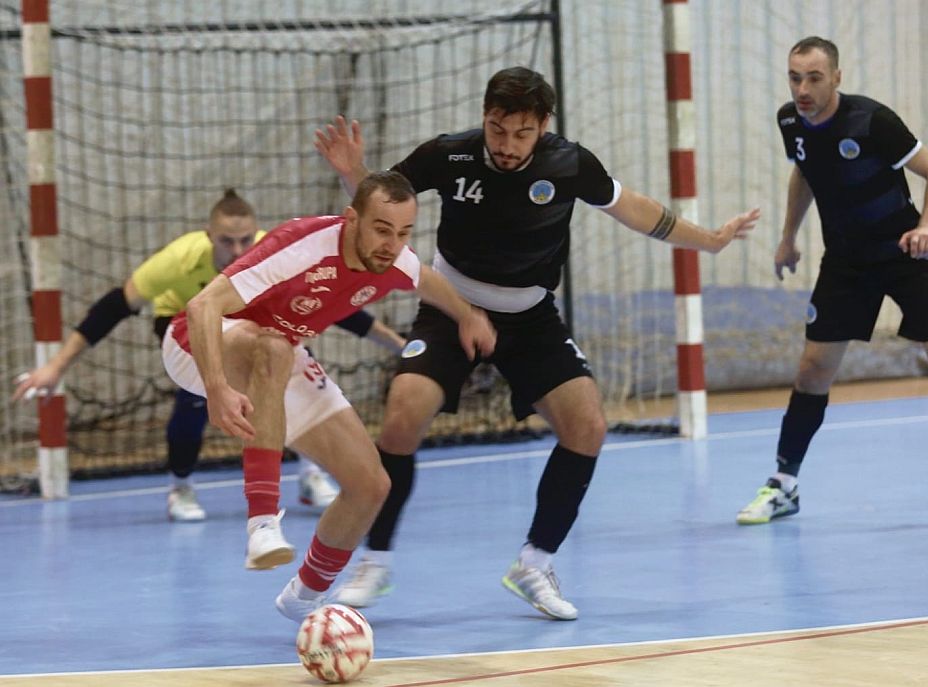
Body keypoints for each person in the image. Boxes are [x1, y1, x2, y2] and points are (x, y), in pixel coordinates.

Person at [313, 66, 760, 620]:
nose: (506, 144)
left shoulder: (569, 164)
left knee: (587, 425)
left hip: (530, 317)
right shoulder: (448, 155)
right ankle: (375, 561)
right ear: (485, 117)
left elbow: (637, 209)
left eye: (520, 133)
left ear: (542, 125)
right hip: (452, 307)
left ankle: (534, 562)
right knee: (403, 414)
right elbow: (381, 203)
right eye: (497, 129)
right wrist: (352, 170)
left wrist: (709, 241)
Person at [161, 170, 495, 622]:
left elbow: (428, 280)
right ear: (351, 219)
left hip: (275, 350)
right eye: (381, 229)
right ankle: (262, 525)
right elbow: (202, 307)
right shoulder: (302, 245)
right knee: (275, 348)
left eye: (403, 233)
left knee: (371, 486)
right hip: (196, 343)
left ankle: (302, 600)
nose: (391, 244)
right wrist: (217, 389)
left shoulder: (393, 259)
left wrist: (466, 315)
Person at [735, 36, 928, 526]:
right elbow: (803, 173)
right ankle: (784, 485)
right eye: (794, 77)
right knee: (811, 371)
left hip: (905, 253)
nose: (802, 88)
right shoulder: (790, 121)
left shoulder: (872, 121)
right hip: (846, 262)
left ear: (837, 78)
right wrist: (788, 237)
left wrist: (927, 225)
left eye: (814, 78)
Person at [11, 189, 405, 520]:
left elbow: (345, 308)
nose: (237, 249)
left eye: (245, 240)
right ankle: (180, 486)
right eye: (226, 242)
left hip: (252, 325)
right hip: (183, 323)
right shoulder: (180, 258)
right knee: (196, 397)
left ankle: (308, 472)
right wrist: (56, 367)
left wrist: (398, 347)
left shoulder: (275, 250)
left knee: (291, 364)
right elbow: (114, 307)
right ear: (208, 236)